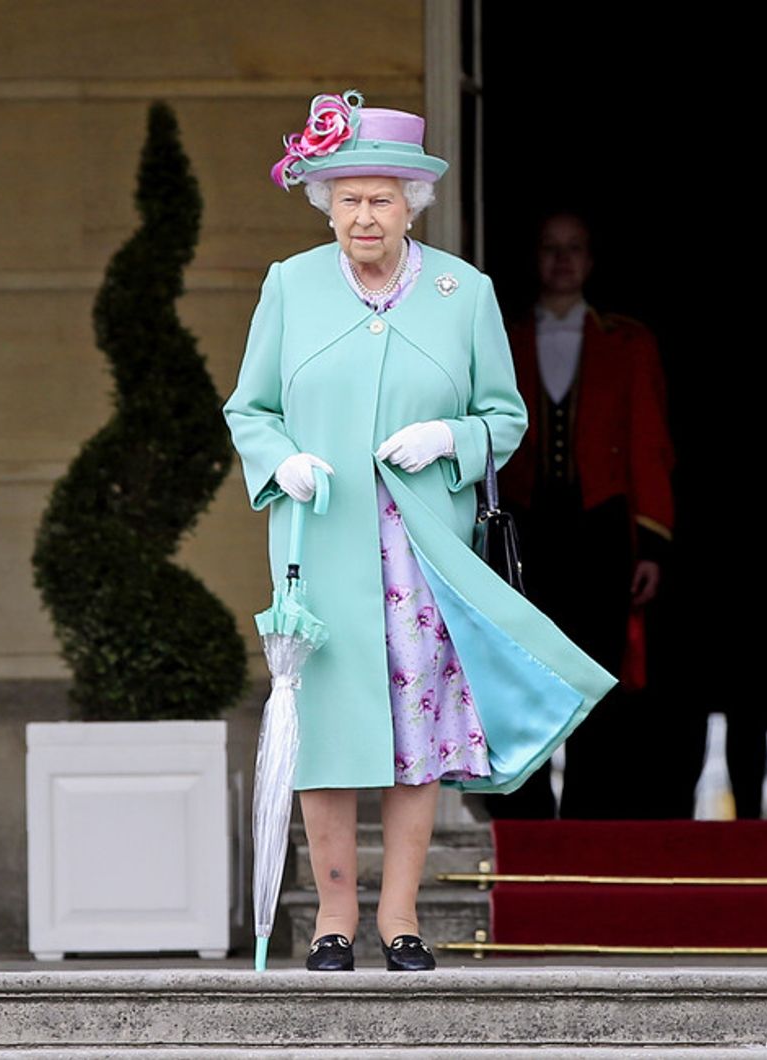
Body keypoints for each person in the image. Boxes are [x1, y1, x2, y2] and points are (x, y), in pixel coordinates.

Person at [225, 92, 614, 971]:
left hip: (422, 551)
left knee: (416, 735)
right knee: (325, 736)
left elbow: (503, 418)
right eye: (349, 199)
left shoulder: (461, 291)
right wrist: (278, 459)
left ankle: (400, 920)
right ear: (326, 202)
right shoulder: (290, 284)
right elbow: (250, 407)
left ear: (413, 205)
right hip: (318, 547)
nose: (365, 215)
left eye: (383, 199)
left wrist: (453, 438)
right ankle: (333, 919)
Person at [488, 211, 687, 820]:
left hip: (601, 528)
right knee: (525, 667)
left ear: (591, 260)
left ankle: (591, 814)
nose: (562, 260)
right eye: (551, 249)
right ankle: (526, 810)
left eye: (574, 249)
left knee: (598, 671)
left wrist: (651, 543)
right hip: (524, 526)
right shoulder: (503, 335)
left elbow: (651, 443)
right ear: (535, 258)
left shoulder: (626, 340)